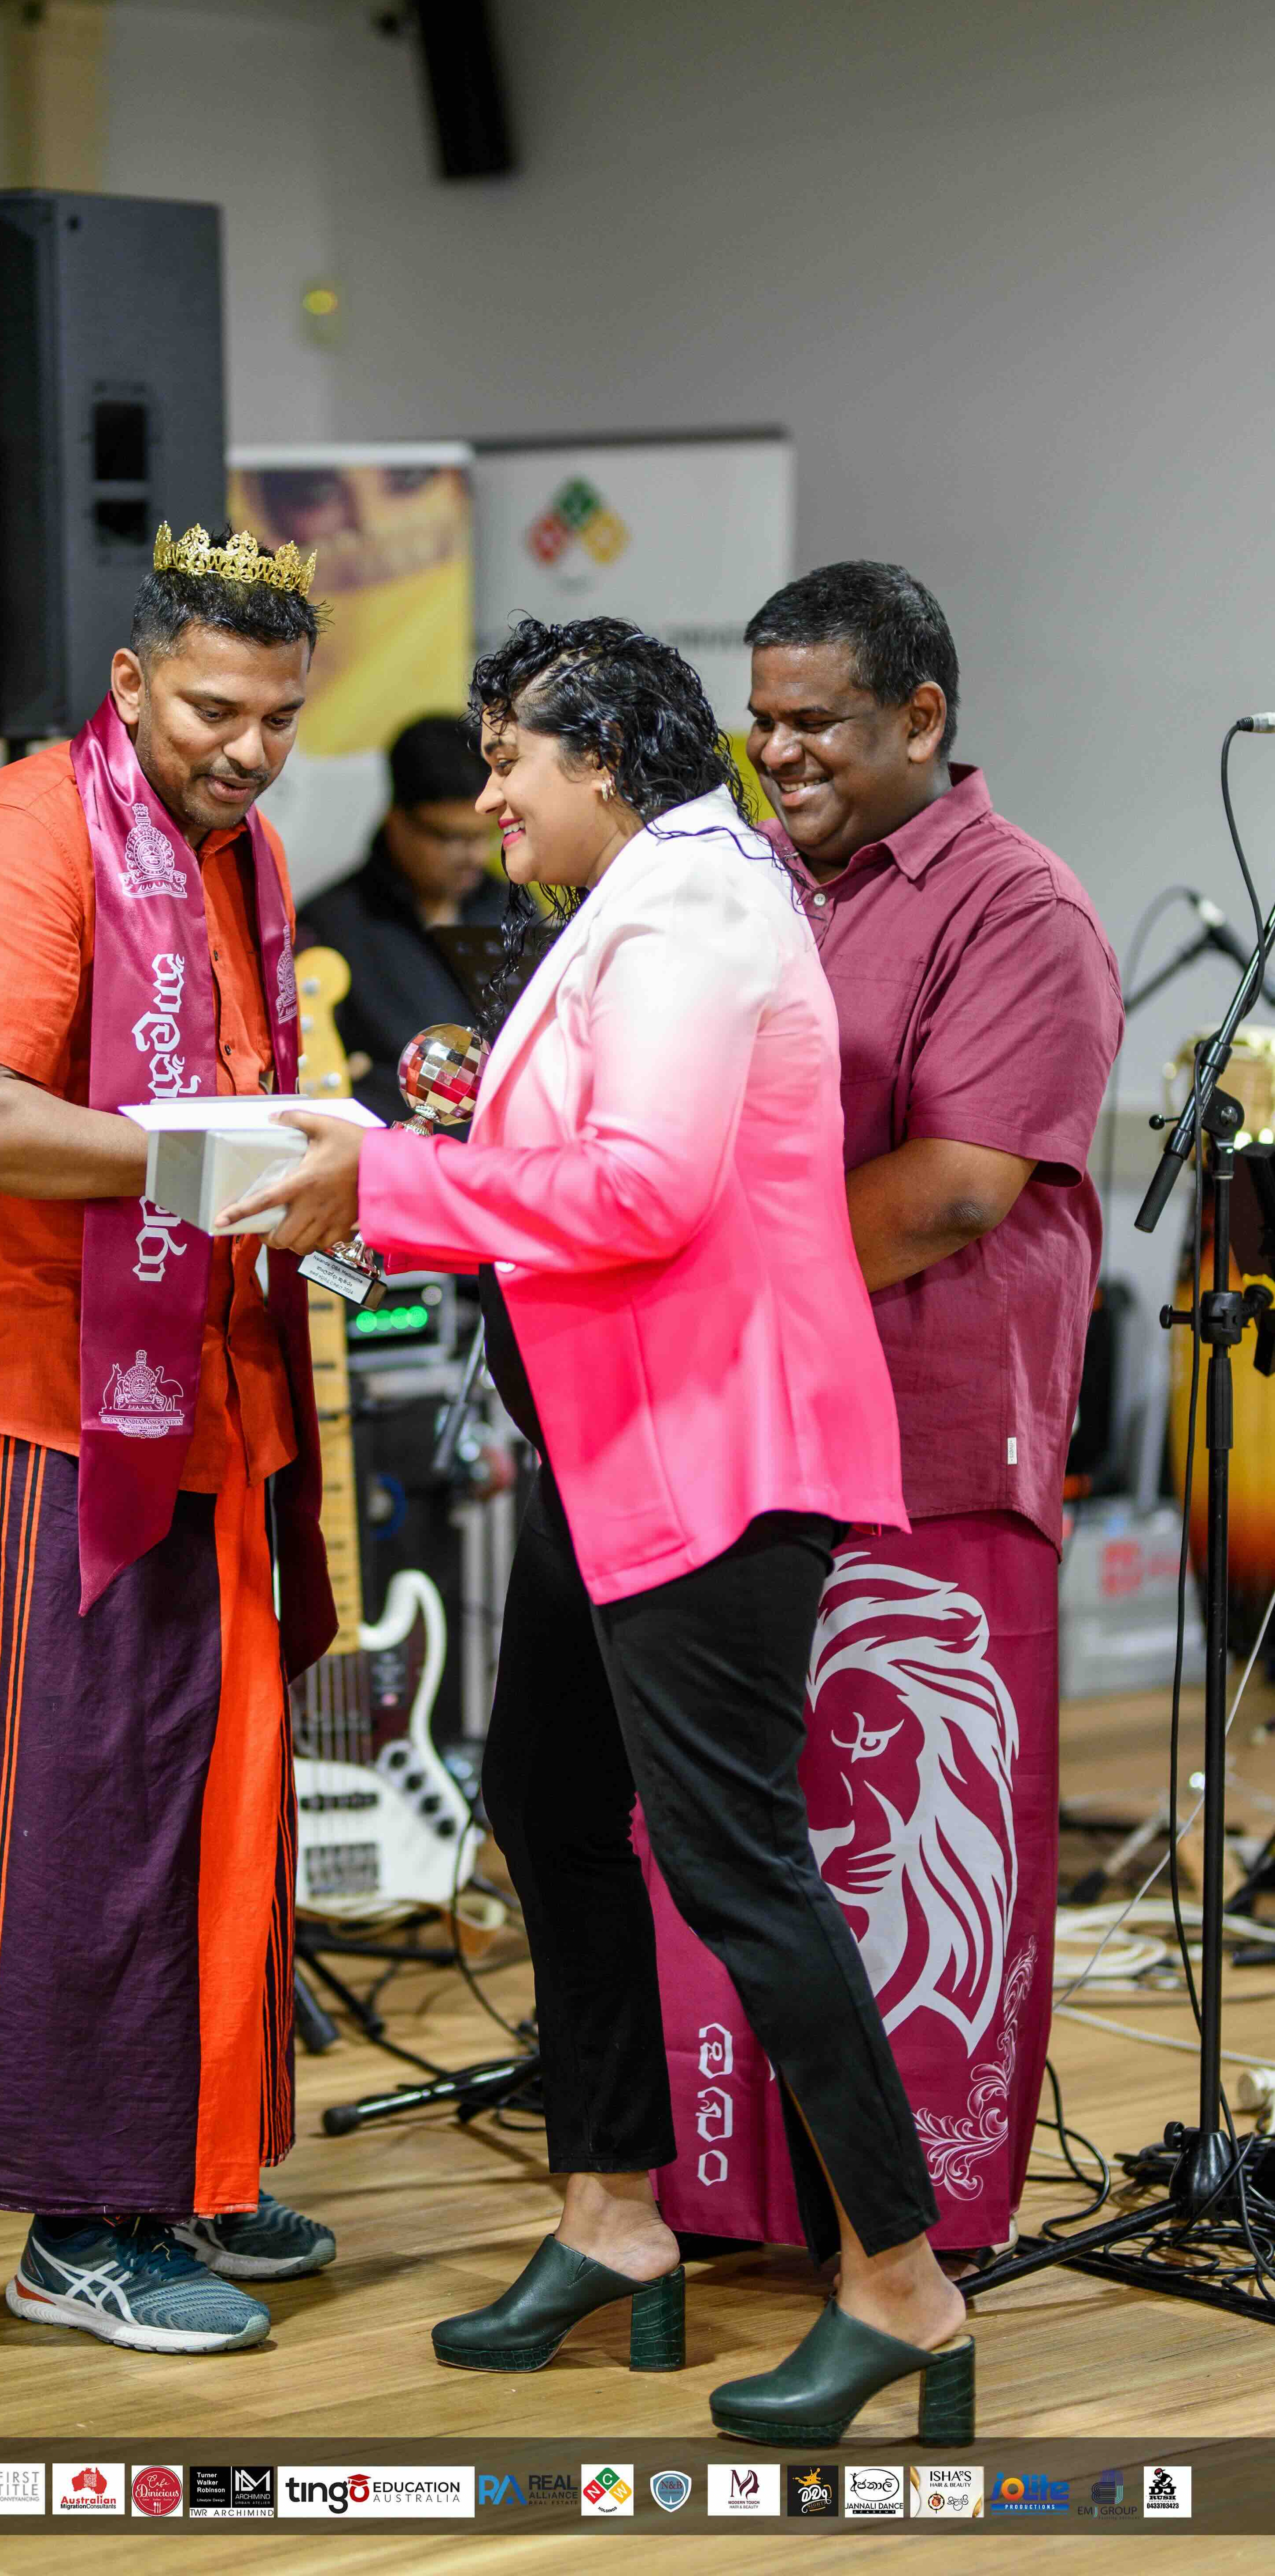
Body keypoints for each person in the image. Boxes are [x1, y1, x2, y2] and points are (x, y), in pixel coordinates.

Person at [230, 617, 974, 2447]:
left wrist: (386, 1174)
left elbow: (641, 1191)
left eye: (510, 760)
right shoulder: (641, 899)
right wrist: (409, 1150)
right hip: (622, 1446)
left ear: (605, 758)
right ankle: (610, 2209)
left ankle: (901, 2282)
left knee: (737, 1865)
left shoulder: (695, 903)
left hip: (718, 1451)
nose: (489, 796)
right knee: (548, 1799)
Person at [641, 562, 1123, 2270]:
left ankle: (911, 2234)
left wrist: (686, 1273)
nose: (775, 753)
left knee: (916, 1846)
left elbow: (955, 1188)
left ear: (920, 718)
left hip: (928, 1450)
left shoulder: (1018, 909)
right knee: (740, 1834)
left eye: (814, 723)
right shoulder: (750, 883)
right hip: (740, 1439)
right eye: (759, 721)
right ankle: (737, 2195)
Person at [0, 523, 338, 2358]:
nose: (248, 750)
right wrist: (218, 1164)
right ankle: (74, 2224)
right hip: (49, 1396)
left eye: (279, 719)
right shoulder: (22, 832)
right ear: (131, 681)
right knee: (82, 1811)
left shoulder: (243, 853)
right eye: (215, 710)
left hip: (209, 1380)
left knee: (213, 1798)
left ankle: (183, 2169)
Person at [298, 714, 503, 1124]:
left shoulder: (509, 905)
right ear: (396, 819)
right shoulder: (330, 926)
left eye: (483, 835)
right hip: (386, 1151)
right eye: (449, 837)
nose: (473, 856)